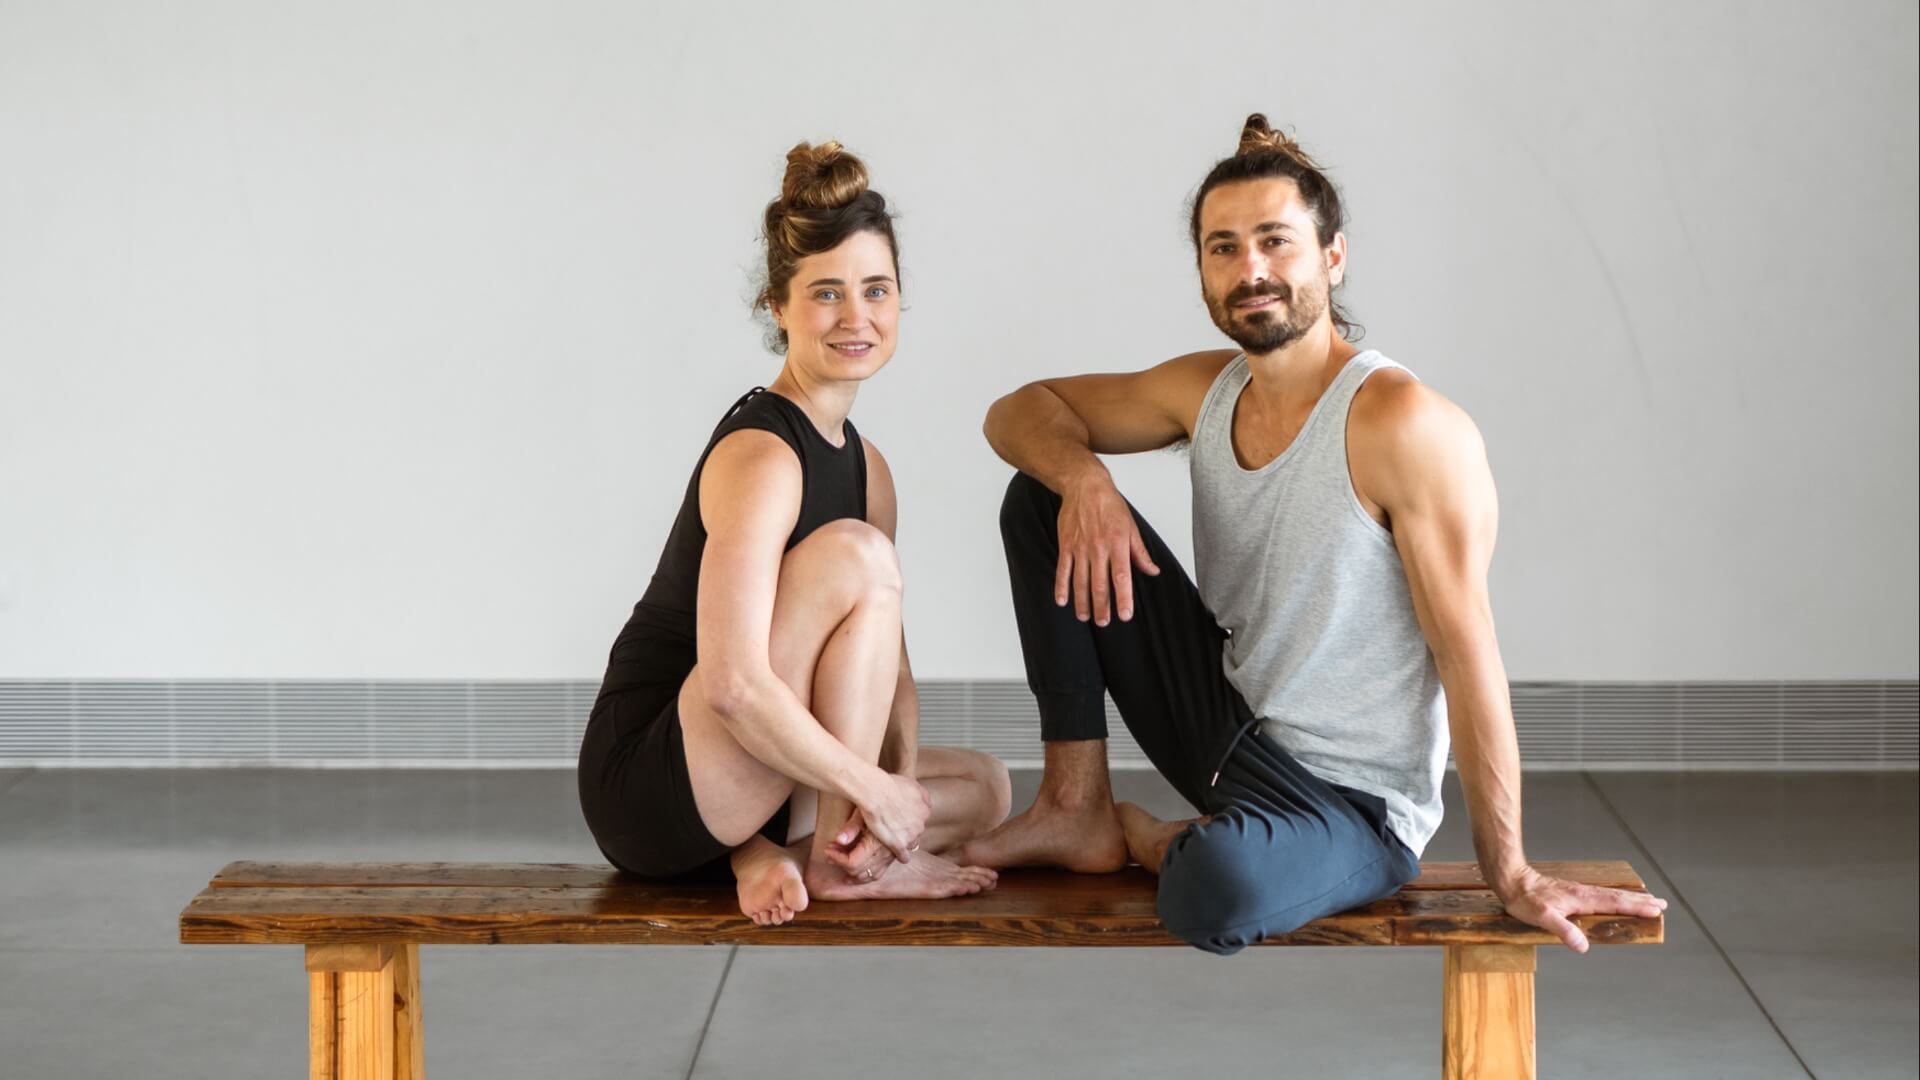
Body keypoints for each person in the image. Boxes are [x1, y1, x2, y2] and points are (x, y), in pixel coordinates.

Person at [957, 114, 1668, 955]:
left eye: (1275, 241)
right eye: (1223, 248)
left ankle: (1152, 838)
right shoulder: (1203, 391)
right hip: (1224, 731)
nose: (1249, 268)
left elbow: (1466, 654)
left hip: (1347, 805)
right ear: (1201, 274)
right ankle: (1075, 805)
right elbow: (1018, 413)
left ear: (1332, 256)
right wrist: (1085, 480)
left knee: (1213, 892)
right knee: (1040, 496)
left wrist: (1508, 870)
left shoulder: (1402, 425)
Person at [578, 140, 1010, 926]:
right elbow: (735, 688)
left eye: (876, 290)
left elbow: (894, 678)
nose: (857, 317)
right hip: (655, 776)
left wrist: (895, 798)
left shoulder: (870, 469)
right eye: (826, 294)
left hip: (759, 763)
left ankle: (783, 849)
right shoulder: (761, 453)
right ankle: (807, 857)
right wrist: (873, 792)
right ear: (777, 307)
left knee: (988, 789)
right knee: (859, 558)